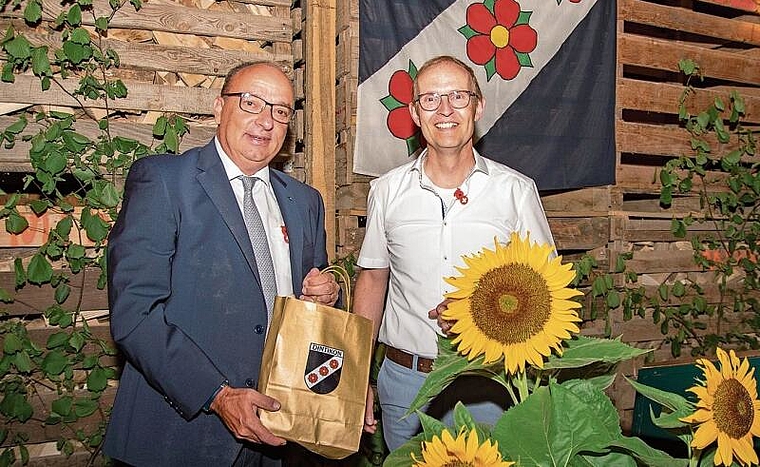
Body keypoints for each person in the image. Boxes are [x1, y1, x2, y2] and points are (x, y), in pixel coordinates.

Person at [103, 62, 340, 467]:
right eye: (251, 103)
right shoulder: (164, 181)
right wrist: (217, 395)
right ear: (219, 107)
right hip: (182, 431)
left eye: (280, 111)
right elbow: (135, 314)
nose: (265, 121)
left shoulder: (305, 202)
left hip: (277, 430)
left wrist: (328, 292)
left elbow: (311, 302)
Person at [353, 55, 556, 451]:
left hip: (488, 381)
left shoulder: (515, 191)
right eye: (430, 99)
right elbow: (373, 279)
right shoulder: (387, 191)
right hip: (407, 383)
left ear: (478, 106)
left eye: (457, 97)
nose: (445, 110)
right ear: (414, 113)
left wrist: (482, 310)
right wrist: (359, 376)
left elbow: (545, 284)